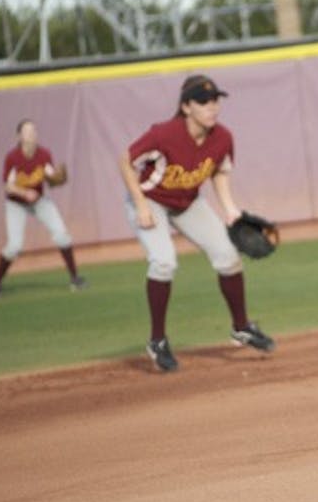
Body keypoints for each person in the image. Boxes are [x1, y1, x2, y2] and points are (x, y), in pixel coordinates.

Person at [118, 74, 275, 373]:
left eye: (215, 100)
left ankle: (241, 327)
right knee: (164, 262)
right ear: (186, 106)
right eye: (203, 101)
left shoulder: (223, 138)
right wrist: (140, 204)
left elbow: (219, 172)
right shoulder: (164, 134)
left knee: (229, 257)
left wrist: (230, 210)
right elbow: (125, 159)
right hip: (151, 199)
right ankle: (157, 341)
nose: (212, 106)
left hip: (187, 202)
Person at [0, 119, 86, 297]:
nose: (32, 134)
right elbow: (7, 186)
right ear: (19, 136)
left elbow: (51, 177)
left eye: (34, 130)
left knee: (62, 234)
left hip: (40, 200)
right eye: (27, 131)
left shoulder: (43, 154)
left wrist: (58, 179)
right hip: (16, 204)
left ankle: (75, 278)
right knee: (14, 246)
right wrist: (24, 192)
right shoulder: (13, 157)